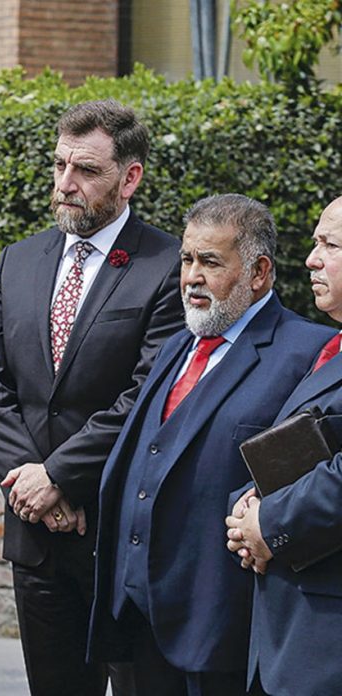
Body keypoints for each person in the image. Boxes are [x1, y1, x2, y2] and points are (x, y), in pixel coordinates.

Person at [0, 99, 182, 696]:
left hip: (120, 535)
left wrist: (61, 476)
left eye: (86, 170)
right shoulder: (18, 261)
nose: (66, 183)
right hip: (36, 535)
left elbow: (149, 394)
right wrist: (31, 485)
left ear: (129, 178)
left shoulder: (167, 265)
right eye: (60, 164)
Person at [88, 194, 334, 695]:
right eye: (186, 260)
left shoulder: (307, 351)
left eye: (211, 262)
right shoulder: (175, 345)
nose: (191, 277)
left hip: (222, 628)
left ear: (259, 272)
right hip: (135, 616)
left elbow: (301, 478)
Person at [225, 195, 342, 696]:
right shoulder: (333, 348)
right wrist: (249, 503)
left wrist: (269, 523)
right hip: (291, 633)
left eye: (330, 245)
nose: (311, 259)